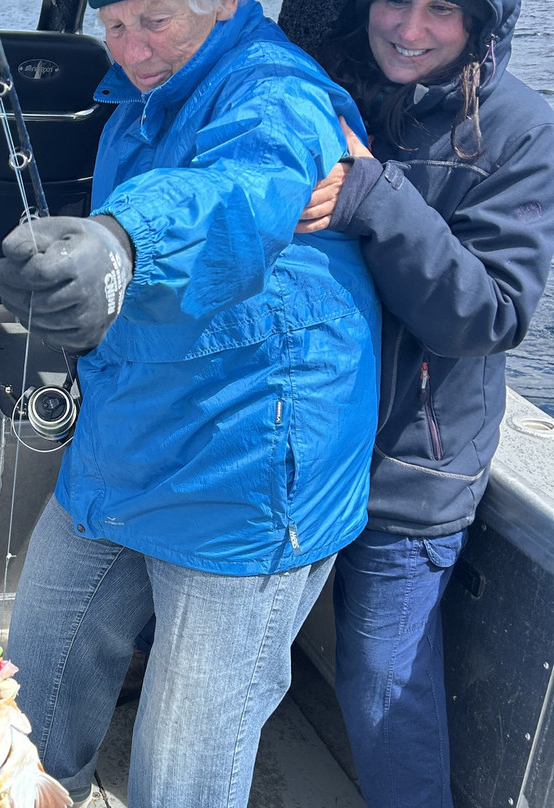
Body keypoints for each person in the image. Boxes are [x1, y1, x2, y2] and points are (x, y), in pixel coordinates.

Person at [0, 0, 381, 805]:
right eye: (114, 24)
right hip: (123, 445)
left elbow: (233, 195)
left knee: (182, 769)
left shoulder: (279, 93)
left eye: (156, 19)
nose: (133, 50)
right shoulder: (136, 100)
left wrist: (120, 244)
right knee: (19, 700)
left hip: (242, 475)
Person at [293, 0, 554, 805]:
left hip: (411, 465)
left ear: (482, 23)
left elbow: (492, 314)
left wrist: (376, 194)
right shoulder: (322, 86)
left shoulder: (522, 130)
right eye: (394, 1)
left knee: (384, 688)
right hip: (295, 438)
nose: (409, 28)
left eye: (442, 8)